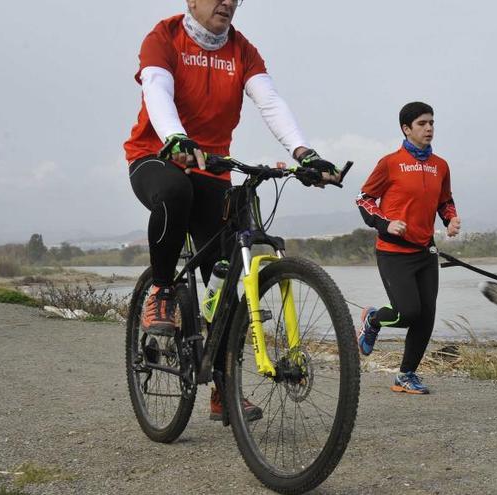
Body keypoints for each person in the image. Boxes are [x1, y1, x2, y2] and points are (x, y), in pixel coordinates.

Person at [123, 0, 339, 421]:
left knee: (226, 278)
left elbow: (269, 101)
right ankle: (162, 290)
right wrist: (175, 137)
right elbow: (156, 89)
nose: (227, 2)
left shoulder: (242, 50)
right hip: (157, 155)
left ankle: (223, 389)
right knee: (174, 192)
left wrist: (304, 152)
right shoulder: (163, 37)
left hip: (212, 167)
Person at [355, 101, 461, 394]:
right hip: (393, 252)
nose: (429, 129)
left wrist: (450, 219)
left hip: (425, 252)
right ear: (406, 128)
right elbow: (364, 199)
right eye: (422, 124)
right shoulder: (390, 163)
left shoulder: (440, 165)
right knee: (408, 312)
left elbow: (444, 200)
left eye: (432, 123)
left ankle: (405, 376)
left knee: (426, 317)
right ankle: (373, 319)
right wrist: (385, 223)